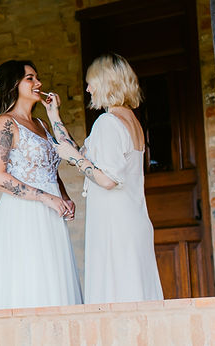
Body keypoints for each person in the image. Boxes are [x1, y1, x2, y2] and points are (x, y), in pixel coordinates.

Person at [43, 53, 163, 304]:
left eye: (91, 82)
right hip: (133, 219)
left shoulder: (108, 122)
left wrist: (74, 159)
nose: (87, 88)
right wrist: (54, 116)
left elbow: (108, 179)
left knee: (117, 298)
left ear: (106, 82)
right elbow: (82, 153)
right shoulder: (131, 120)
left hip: (115, 223)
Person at [0, 60, 83, 310]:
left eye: (37, 78)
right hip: (22, 217)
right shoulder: (5, 123)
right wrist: (46, 198)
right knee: (31, 283)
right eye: (30, 78)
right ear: (14, 85)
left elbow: (69, 156)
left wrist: (63, 196)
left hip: (50, 217)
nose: (38, 83)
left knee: (54, 283)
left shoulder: (42, 125)